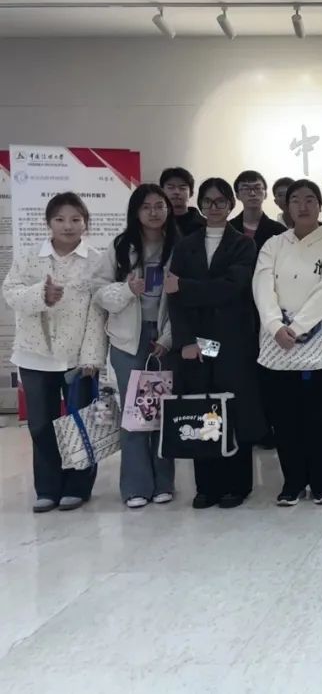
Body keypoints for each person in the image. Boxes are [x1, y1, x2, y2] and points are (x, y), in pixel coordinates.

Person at [3, 193, 109, 513]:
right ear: (48, 222)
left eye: (76, 219)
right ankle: (48, 488)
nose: (68, 226)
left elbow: (98, 312)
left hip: (78, 358)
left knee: (81, 422)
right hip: (35, 355)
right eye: (60, 219)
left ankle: (78, 486)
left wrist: (92, 357)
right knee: (41, 425)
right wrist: (42, 295)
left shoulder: (96, 260)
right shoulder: (30, 257)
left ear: (85, 223)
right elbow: (11, 294)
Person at [166, 178, 264, 509]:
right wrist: (185, 341)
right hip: (198, 343)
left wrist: (186, 287)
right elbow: (173, 299)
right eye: (207, 201)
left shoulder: (244, 245)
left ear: (231, 205)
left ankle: (238, 484)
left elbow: (232, 287)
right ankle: (207, 485)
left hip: (233, 342)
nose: (213, 207)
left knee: (234, 410)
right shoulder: (185, 245)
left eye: (220, 201)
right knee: (202, 410)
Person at [254, 179, 322, 506]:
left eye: (310, 199)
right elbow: (262, 286)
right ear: (286, 206)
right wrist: (275, 325)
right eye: (296, 200)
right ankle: (293, 482)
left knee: (319, 418)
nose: (303, 206)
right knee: (285, 419)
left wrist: (296, 327)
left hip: (319, 343)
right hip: (276, 344)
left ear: (320, 205)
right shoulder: (273, 244)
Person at [95, 185, 177, 508]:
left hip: (164, 337)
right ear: (136, 212)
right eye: (146, 207)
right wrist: (128, 290)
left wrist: (168, 338)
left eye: (160, 206)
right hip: (128, 340)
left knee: (162, 411)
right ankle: (136, 486)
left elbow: (184, 302)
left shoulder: (179, 245)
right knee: (134, 413)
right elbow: (99, 292)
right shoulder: (120, 246)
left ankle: (164, 482)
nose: (154, 212)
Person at [230, 170, 287, 250]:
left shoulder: (279, 230)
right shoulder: (228, 228)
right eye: (246, 188)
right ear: (237, 195)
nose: (252, 193)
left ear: (265, 194)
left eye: (257, 188)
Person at [160, 167, 205, 237]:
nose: (176, 192)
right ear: (161, 191)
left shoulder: (204, 225)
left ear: (191, 193)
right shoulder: (155, 223)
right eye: (171, 187)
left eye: (182, 188)